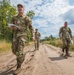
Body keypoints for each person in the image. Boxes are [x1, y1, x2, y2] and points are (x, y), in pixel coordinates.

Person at [9, 4, 34, 74]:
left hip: (23, 36)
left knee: (19, 51)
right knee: (14, 50)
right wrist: (11, 27)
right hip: (15, 36)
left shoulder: (26, 18)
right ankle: (22, 57)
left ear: (23, 9)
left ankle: (18, 67)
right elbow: (10, 25)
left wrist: (33, 35)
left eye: (21, 7)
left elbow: (31, 27)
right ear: (17, 9)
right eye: (18, 7)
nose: (20, 8)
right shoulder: (14, 17)